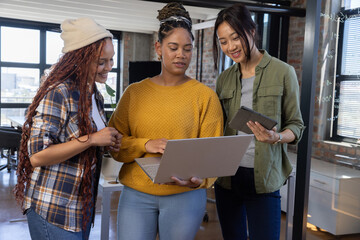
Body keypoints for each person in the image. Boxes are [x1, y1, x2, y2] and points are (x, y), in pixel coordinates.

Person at [108, 2, 223, 240]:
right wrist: (145, 144)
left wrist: (201, 180)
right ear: (158, 48)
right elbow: (114, 144)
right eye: (173, 47)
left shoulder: (205, 97)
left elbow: (214, 154)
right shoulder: (134, 93)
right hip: (136, 195)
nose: (181, 54)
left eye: (187, 49)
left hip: (185, 196)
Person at [14, 17, 122, 240]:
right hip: (53, 207)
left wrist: (108, 142)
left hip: (80, 207)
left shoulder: (94, 95)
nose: (109, 67)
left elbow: (88, 145)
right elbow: (37, 155)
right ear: (80, 59)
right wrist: (92, 139)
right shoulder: (59, 92)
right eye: (101, 62)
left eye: (111, 60)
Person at [212, 3, 305, 240]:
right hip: (227, 179)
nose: (230, 46)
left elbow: (296, 124)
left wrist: (278, 137)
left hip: (264, 180)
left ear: (251, 30)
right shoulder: (224, 79)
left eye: (235, 37)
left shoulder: (283, 72)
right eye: (223, 41)